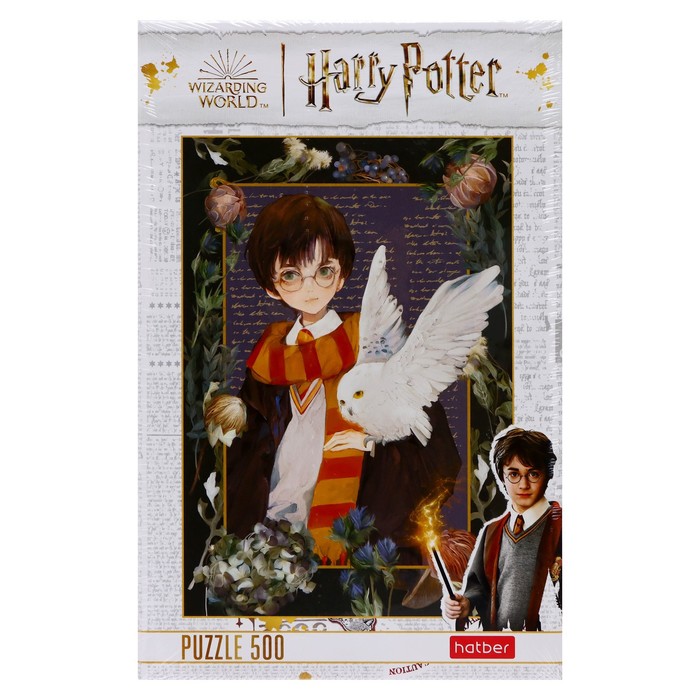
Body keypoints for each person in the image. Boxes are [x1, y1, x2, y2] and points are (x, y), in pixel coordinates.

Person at [225, 194, 461, 563]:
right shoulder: (267, 362)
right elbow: (245, 456)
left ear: (342, 275)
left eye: (323, 271)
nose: (309, 287)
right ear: (271, 287)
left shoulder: (371, 351)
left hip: (357, 521)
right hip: (278, 519)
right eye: (291, 275)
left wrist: (370, 443)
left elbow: (429, 443)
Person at [442, 426, 562, 631]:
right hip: (500, 643)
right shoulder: (492, 531)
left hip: (546, 642)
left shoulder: (560, 527)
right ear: (502, 476)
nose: (523, 484)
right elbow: (478, 586)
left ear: (547, 475)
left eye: (533, 474)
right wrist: (466, 604)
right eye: (514, 474)